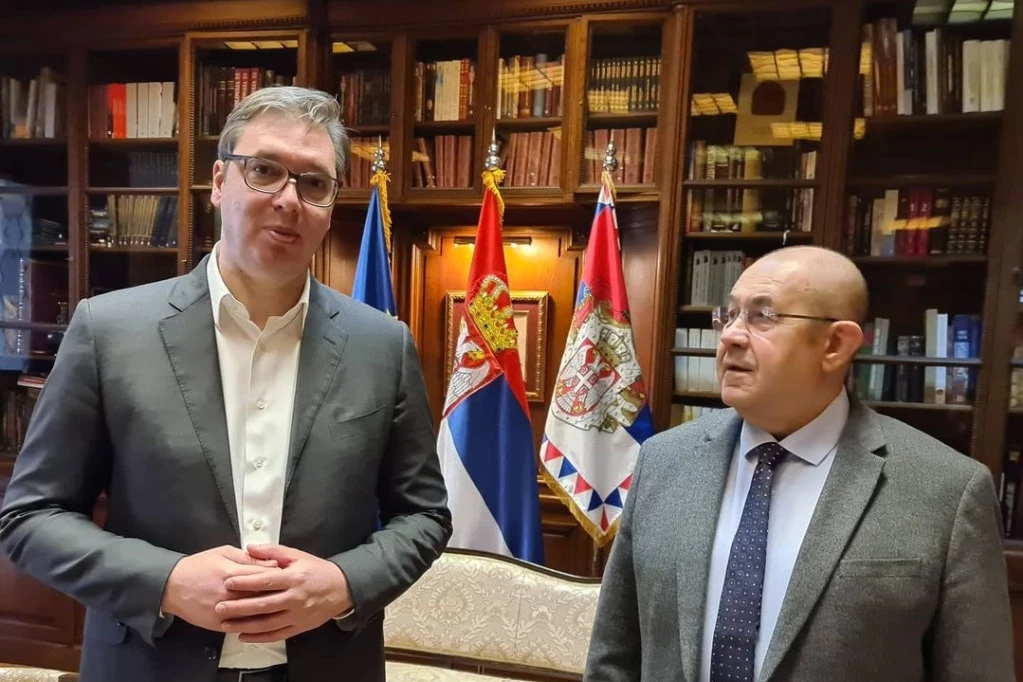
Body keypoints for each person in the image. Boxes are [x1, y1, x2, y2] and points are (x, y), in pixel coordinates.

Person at [0, 86, 451, 682]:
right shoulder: (108, 331)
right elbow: (31, 518)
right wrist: (166, 581)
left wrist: (343, 584)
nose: (288, 199)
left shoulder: (383, 345)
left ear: (330, 204)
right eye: (264, 170)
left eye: (314, 182)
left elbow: (424, 516)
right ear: (219, 182)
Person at [584, 245, 1014, 682]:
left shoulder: (947, 491)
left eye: (763, 316)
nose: (731, 336)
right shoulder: (663, 461)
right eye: (729, 315)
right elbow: (613, 659)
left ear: (836, 345)